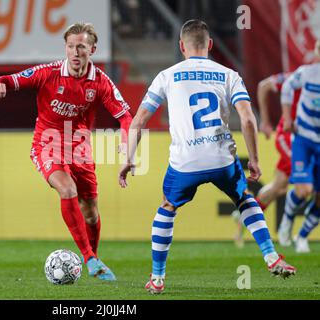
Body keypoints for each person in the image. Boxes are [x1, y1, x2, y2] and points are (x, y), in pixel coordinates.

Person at [118, 19, 296, 294]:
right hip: (222, 158)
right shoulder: (228, 74)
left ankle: (157, 278)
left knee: (167, 206)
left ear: (181, 46)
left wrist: (129, 157)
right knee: (244, 198)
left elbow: (139, 120)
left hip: (185, 161)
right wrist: (255, 159)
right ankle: (271, 256)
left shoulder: (167, 75)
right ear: (210, 45)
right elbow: (248, 119)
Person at [0, 22, 133, 281]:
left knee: (90, 211)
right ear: (65, 48)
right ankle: (89, 258)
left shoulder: (100, 81)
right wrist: (0, 82)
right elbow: (13, 80)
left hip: (80, 148)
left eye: (81, 47)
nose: (75, 52)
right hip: (46, 143)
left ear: (92, 49)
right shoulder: (49, 73)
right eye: (70, 46)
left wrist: (127, 145)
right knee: (67, 189)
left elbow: (125, 117)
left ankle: (95, 258)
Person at [231, 71, 303, 248]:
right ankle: (288, 231)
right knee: (306, 181)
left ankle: (244, 217)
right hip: (288, 137)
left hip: (305, 140)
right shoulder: (300, 76)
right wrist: (265, 119)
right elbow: (264, 86)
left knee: (279, 187)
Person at [278, 40, 320, 254]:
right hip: (303, 137)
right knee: (304, 190)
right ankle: (287, 220)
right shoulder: (307, 73)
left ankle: (302, 236)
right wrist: (287, 117)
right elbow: (286, 86)